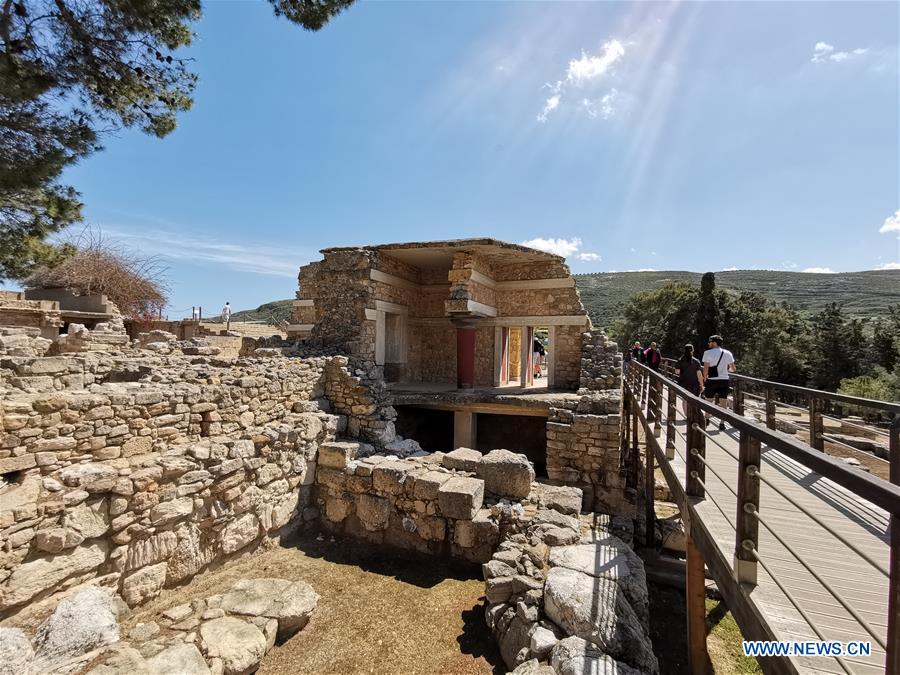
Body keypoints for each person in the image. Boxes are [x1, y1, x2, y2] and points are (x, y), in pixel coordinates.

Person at [702, 334, 736, 430]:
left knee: (709, 401)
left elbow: (705, 368)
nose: (708, 343)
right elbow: (733, 368)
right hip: (724, 380)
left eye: (710, 342)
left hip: (712, 380)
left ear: (715, 343)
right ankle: (722, 423)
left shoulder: (707, 353)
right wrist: (726, 371)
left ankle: (707, 418)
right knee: (723, 402)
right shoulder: (728, 353)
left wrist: (705, 379)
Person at [674, 344, 704, 417]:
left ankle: (687, 416)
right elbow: (699, 374)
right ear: (693, 350)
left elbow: (677, 372)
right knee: (696, 399)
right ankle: (695, 414)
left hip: (683, 383)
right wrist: (702, 384)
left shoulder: (680, 360)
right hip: (694, 383)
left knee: (685, 400)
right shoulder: (696, 361)